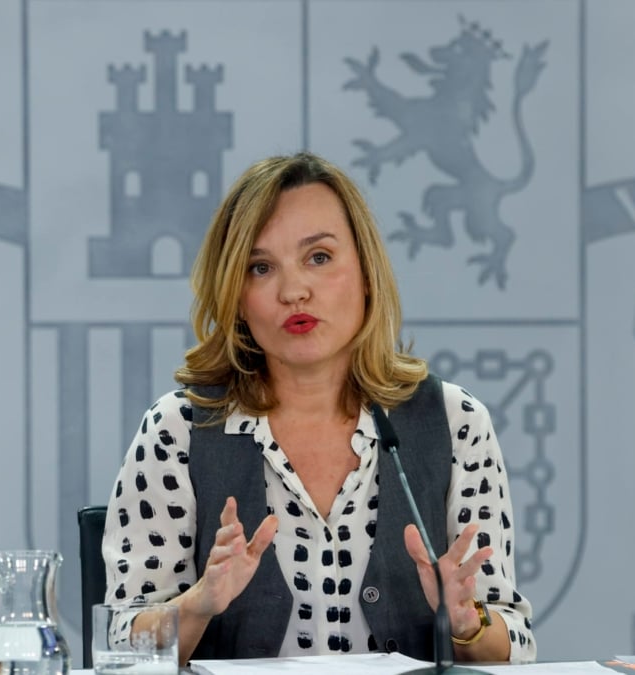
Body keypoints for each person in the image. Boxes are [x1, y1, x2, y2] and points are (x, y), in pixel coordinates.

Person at [101, 152, 536, 665]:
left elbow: (515, 642)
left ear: (367, 273)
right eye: (261, 268)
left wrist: (466, 624)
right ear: (237, 297)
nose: (293, 291)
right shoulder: (180, 429)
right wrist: (200, 603)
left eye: (319, 257)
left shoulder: (454, 422)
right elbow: (123, 646)